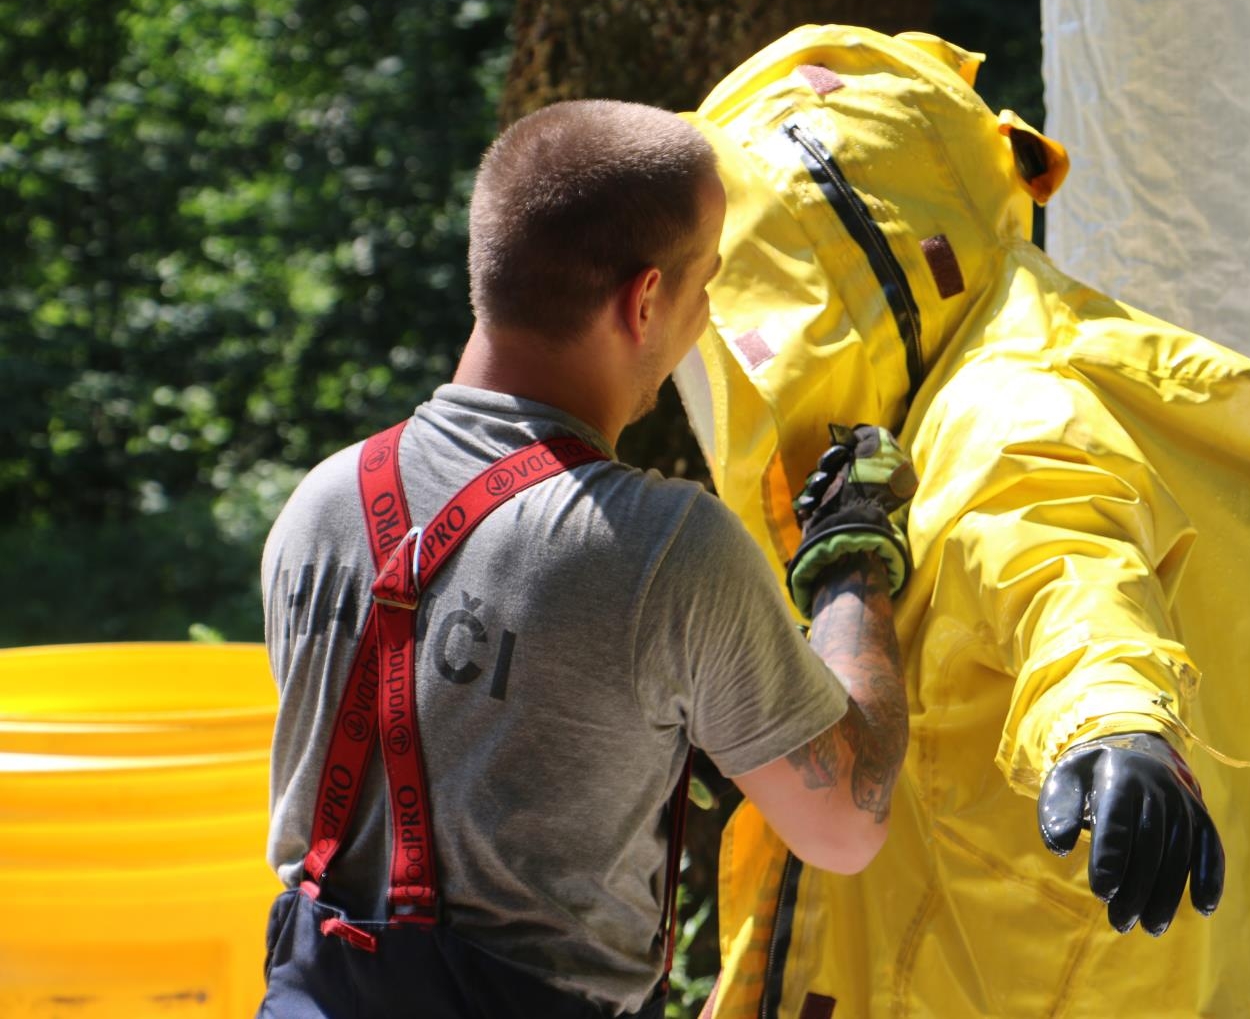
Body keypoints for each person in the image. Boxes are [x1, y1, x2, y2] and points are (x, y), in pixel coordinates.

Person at [676, 26, 1250, 1017]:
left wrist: (1111, 721)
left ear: (855, 288)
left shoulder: (1004, 410)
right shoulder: (976, 374)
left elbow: (1065, 560)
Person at [257, 99, 917, 1019]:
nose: (705, 318)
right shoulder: (660, 549)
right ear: (643, 300)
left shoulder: (322, 500)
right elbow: (845, 822)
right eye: (704, 286)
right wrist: (852, 557)